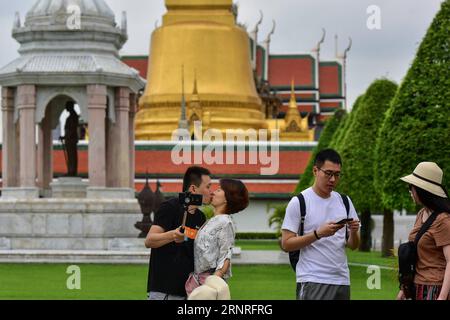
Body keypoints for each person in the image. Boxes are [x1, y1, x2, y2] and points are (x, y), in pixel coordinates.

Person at [281, 149, 360, 300]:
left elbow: (353, 245)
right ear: (315, 171)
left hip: (342, 279)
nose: (333, 179)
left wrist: (354, 232)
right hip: (312, 279)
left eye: (337, 175)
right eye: (328, 173)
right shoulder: (299, 202)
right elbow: (286, 244)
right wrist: (318, 234)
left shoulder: (344, 201)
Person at [145, 166, 212, 300]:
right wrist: (172, 235)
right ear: (193, 189)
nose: (211, 191)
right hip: (165, 292)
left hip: (189, 291)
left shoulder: (200, 217)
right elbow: (149, 240)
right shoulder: (170, 207)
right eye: (208, 187)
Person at [185, 179, 249, 298]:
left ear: (227, 198)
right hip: (198, 281)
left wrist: (212, 284)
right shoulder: (211, 221)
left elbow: (225, 257)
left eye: (219, 190)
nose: (213, 192)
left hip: (209, 282)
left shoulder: (225, 222)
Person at [397, 162, 450, 300]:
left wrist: (442, 297)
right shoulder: (421, 214)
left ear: (421, 190)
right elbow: (415, 256)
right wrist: (403, 291)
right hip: (417, 286)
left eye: (411, 187)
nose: (410, 192)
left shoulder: (442, 220)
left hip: (435, 288)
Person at [61, 101, 79, 177]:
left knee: (71, 155)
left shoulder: (73, 116)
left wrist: (65, 137)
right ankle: (71, 170)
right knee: (71, 155)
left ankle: (71, 171)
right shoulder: (73, 116)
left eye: (67, 106)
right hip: (70, 139)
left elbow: (71, 129)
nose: (66, 108)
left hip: (70, 139)